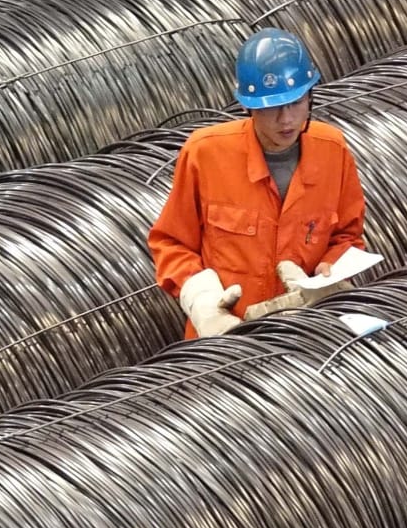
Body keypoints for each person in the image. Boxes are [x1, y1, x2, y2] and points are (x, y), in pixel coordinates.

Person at [149, 27, 366, 338]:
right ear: (248, 106)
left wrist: (329, 271)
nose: (287, 119)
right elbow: (171, 243)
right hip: (225, 337)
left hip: (304, 333)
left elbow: (347, 234)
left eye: (296, 102)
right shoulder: (205, 154)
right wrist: (201, 300)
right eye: (272, 107)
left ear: (310, 96)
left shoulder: (333, 151)